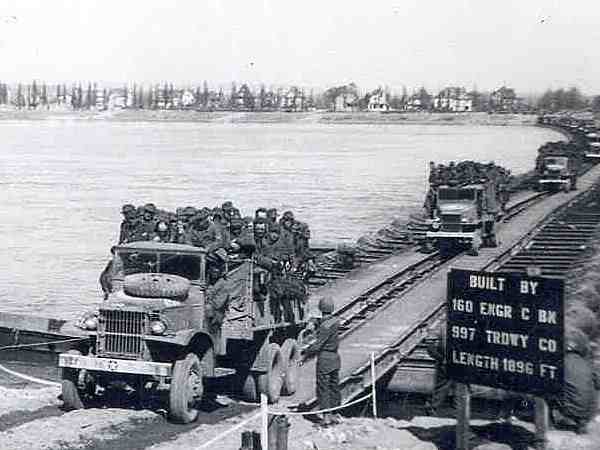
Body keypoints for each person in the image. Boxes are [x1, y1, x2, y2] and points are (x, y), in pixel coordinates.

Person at [548, 327, 598, 433]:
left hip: (569, 408)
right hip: (590, 411)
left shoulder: (559, 363)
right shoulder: (586, 364)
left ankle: (549, 422)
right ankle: (582, 423)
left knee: (547, 387)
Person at [302, 296, 341, 426]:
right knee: (334, 387)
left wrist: (305, 356)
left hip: (325, 360)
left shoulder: (325, 327)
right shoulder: (336, 321)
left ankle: (326, 417)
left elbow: (317, 345)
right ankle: (335, 414)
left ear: (320, 308)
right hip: (335, 358)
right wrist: (316, 322)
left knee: (323, 387)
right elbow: (326, 321)